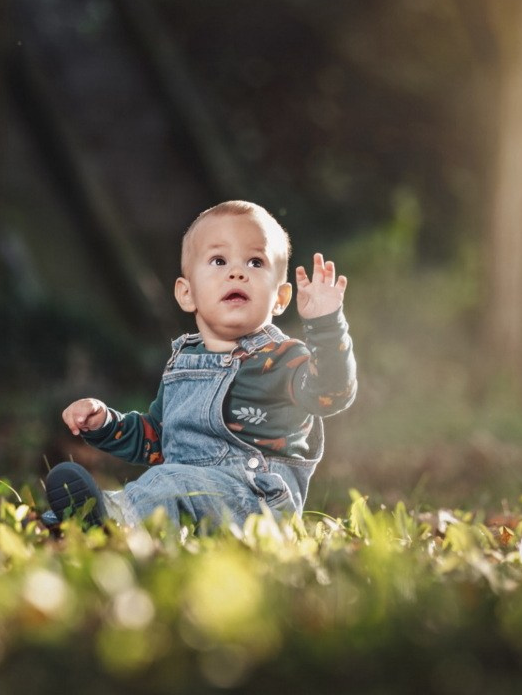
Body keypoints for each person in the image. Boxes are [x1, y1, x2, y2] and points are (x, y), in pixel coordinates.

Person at [43, 200, 356, 532]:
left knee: (169, 482)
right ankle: (95, 518)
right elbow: (157, 441)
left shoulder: (283, 358)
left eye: (255, 261)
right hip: (190, 495)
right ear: (186, 293)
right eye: (219, 260)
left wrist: (325, 326)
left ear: (280, 297)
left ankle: (113, 517)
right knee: (167, 480)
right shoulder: (183, 363)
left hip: (256, 506)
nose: (237, 272)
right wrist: (106, 424)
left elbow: (332, 392)